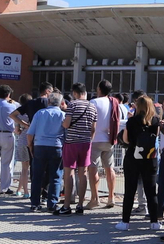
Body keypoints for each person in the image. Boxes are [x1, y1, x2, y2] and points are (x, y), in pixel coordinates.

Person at [117, 94, 164, 232]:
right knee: (151, 190)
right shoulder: (155, 121)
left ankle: (125, 222)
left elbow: (125, 140)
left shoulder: (132, 122)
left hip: (133, 157)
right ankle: (154, 222)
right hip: (150, 158)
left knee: (130, 190)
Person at [59, 84, 96, 215]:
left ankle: (67, 205)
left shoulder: (72, 105)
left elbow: (67, 124)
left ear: (74, 93)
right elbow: (93, 129)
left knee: (69, 173)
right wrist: (88, 140)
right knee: (83, 173)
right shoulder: (92, 106)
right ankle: (80, 205)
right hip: (86, 143)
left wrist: (63, 123)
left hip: (71, 142)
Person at [26, 94, 65, 213]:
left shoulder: (39, 113)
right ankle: (52, 203)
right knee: (55, 175)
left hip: (40, 145)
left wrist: (30, 146)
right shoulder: (63, 115)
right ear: (60, 102)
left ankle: (35, 203)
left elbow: (30, 133)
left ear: (48, 101)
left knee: (37, 175)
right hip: (56, 146)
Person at [86, 80, 121, 209]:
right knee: (109, 168)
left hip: (95, 138)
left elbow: (89, 120)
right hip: (109, 138)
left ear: (99, 89)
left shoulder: (93, 102)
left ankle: (94, 199)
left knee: (93, 169)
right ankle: (111, 197)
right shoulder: (113, 102)